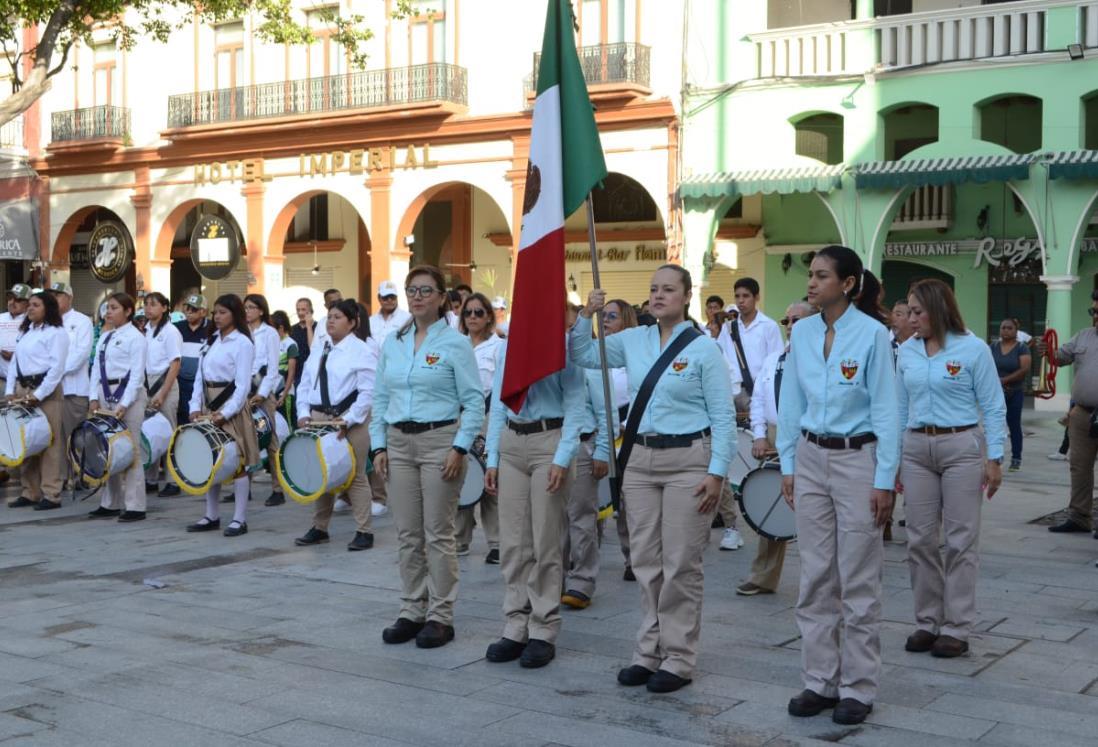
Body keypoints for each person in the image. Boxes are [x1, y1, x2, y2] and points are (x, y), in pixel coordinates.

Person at [572, 265, 734, 694]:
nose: (659, 296)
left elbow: (723, 417)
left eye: (668, 290)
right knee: (645, 561)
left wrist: (717, 472)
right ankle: (648, 651)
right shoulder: (634, 340)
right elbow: (583, 355)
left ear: (685, 297)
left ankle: (678, 656)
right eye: (653, 290)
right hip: (640, 460)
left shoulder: (703, 349)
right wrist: (585, 314)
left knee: (680, 562)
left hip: (688, 461)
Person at [777, 245, 898, 725]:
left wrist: (884, 479)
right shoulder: (803, 332)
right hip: (809, 456)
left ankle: (858, 687)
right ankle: (819, 681)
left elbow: (888, 409)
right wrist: (788, 464)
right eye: (810, 274)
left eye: (822, 275)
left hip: (857, 459)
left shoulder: (873, 335)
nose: (811, 283)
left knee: (858, 575)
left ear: (847, 284)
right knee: (815, 574)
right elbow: (790, 401)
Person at [370, 266, 484, 649]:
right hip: (399, 443)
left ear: (441, 298)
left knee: (438, 533)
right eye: (411, 290)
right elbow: (380, 398)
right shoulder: (394, 342)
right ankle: (411, 609)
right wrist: (378, 445)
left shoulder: (455, 343)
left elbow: (473, 402)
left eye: (425, 290)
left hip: (440, 442)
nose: (417, 297)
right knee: (407, 533)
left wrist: (460, 446)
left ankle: (440, 615)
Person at [897, 279, 1005, 659]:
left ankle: (957, 626)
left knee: (960, 540)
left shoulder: (973, 350)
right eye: (908, 312)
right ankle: (927, 620)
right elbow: (897, 406)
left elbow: (993, 405)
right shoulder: (906, 352)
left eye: (917, 311)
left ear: (938, 310)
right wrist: (892, 460)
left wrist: (995, 458)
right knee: (920, 539)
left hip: (961, 447)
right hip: (915, 448)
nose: (910, 320)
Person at [482, 305, 584, 670]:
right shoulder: (507, 347)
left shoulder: (565, 348)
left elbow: (576, 406)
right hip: (512, 442)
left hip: (549, 441)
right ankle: (515, 622)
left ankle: (543, 627)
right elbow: (498, 402)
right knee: (512, 542)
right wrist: (492, 456)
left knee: (545, 540)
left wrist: (563, 455)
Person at [737, 300, 816, 597]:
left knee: (813, 509)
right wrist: (759, 435)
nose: (791, 326)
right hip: (774, 432)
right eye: (787, 321)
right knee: (771, 501)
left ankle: (816, 582)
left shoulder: (821, 358)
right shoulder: (773, 360)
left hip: (809, 435)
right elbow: (758, 400)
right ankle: (763, 577)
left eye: (797, 320)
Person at [560, 298, 633, 609]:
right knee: (555, 521)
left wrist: (603, 450)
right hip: (549, 445)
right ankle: (556, 575)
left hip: (582, 445)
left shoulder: (588, 360)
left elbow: (607, 411)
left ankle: (582, 580)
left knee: (581, 519)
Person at [294, 300, 380, 551]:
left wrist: (349, 419)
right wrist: (302, 413)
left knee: (355, 475)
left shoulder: (362, 350)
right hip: (318, 418)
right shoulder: (320, 347)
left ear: (352, 323)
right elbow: (305, 382)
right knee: (321, 472)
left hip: (349, 421)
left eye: (338, 317)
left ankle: (364, 531)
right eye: (329, 316)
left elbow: (368, 392)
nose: (330, 320)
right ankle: (320, 528)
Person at [185, 295, 260, 537]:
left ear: (234, 314)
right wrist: (194, 406)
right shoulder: (211, 341)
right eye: (215, 312)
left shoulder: (243, 344)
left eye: (222, 313)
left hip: (231, 408)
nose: (217, 317)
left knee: (238, 463)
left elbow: (242, 385)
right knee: (211, 460)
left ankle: (239, 519)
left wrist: (226, 412)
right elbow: (199, 378)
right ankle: (211, 514)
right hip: (209, 406)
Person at [715, 277, 780, 551]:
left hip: (760, 399)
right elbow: (719, 359)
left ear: (756, 297)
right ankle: (731, 526)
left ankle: (767, 519)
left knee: (762, 463)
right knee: (725, 461)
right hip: (730, 397)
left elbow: (775, 365)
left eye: (745, 296)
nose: (741, 301)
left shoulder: (769, 327)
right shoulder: (728, 328)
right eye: (737, 296)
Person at [1037, 289, 1098, 535]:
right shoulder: (1083, 336)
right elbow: (1059, 358)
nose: (1095, 316)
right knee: (1079, 467)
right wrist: (1047, 351)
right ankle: (1079, 517)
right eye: (1093, 311)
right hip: (1083, 414)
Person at [85, 293, 149, 522]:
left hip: (128, 396)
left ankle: (135, 505)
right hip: (105, 393)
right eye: (107, 308)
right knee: (107, 448)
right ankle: (110, 502)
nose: (108, 312)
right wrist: (93, 398)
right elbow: (95, 370)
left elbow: (136, 375)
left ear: (128, 311)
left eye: (113, 308)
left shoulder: (136, 338)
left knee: (131, 450)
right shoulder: (105, 337)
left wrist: (124, 404)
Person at [5, 291, 69, 511]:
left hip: (46, 391)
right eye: (29, 305)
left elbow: (57, 368)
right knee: (28, 440)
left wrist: (39, 395)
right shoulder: (26, 331)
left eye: (35, 305)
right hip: (23, 389)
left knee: (51, 442)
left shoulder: (56, 333)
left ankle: (51, 494)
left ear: (47, 308)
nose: (30, 308)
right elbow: (15, 362)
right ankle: (30, 491)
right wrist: (10, 390)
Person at [454, 291, 504, 562]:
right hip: (457, 419)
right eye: (468, 312)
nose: (472, 317)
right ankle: (459, 539)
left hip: (486, 418)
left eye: (478, 312)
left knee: (489, 478)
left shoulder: (499, 347)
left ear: (488, 317)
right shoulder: (457, 345)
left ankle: (496, 542)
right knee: (459, 476)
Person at [48, 282, 93, 494]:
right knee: (55, 437)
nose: (55, 300)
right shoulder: (49, 323)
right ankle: (61, 477)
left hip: (73, 388)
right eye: (53, 296)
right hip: (51, 390)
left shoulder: (82, 322)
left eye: (59, 295)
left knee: (75, 436)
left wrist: (55, 371)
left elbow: (81, 354)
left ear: (69, 298)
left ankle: (81, 475)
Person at [164, 293, 210, 497]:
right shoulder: (178, 329)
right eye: (187, 309)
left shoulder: (210, 330)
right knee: (180, 426)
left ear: (203, 311)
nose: (189, 312)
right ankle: (178, 473)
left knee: (201, 427)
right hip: (180, 383)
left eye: (193, 309)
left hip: (201, 385)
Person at [244, 294, 283, 506]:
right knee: (245, 439)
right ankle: (244, 486)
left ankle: (277, 488)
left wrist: (262, 392)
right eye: (246, 307)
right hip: (244, 391)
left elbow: (273, 368)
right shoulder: (242, 332)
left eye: (251, 307)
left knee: (270, 439)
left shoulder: (270, 333)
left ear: (261, 310)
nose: (247, 311)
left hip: (263, 391)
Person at [141, 292, 182, 492]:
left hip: (165, 384)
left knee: (169, 432)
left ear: (165, 307)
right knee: (151, 431)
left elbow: (175, 363)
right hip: (148, 386)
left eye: (154, 304)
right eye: (146, 304)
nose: (149, 308)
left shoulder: (170, 331)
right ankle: (151, 478)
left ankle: (172, 479)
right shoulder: (145, 330)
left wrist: (163, 393)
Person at [991, 318, 1031, 471]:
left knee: (1014, 425)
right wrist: (995, 383)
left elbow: (1024, 370)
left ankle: (1016, 458)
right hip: (996, 392)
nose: (1005, 331)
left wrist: (1004, 380)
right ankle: (996, 456)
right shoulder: (993, 346)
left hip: (1015, 392)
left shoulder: (1022, 348)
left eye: (1009, 328)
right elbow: (985, 365)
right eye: (1003, 328)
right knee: (995, 425)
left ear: (1016, 331)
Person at [270, 310, 299, 430]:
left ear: (281, 328)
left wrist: (284, 395)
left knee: (287, 425)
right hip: (271, 392)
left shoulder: (290, 344)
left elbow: (291, 373)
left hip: (285, 393)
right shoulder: (271, 342)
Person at [0, 283, 31, 394]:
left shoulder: (32, 321)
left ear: (28, 303)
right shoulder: (1, 318)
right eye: (10, 298)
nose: (12, 302)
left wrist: (16, 356)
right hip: (2, 382)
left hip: (23, 384)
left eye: (17, 300)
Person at [290, 298, 317, 381]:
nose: (300, 313)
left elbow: (313, 348)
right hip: (295, 375)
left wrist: (309, 327)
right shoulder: (292, 330)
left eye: (303, 310)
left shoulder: (319, 328)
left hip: (312, 374)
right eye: (298, 310)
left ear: (311, 311)